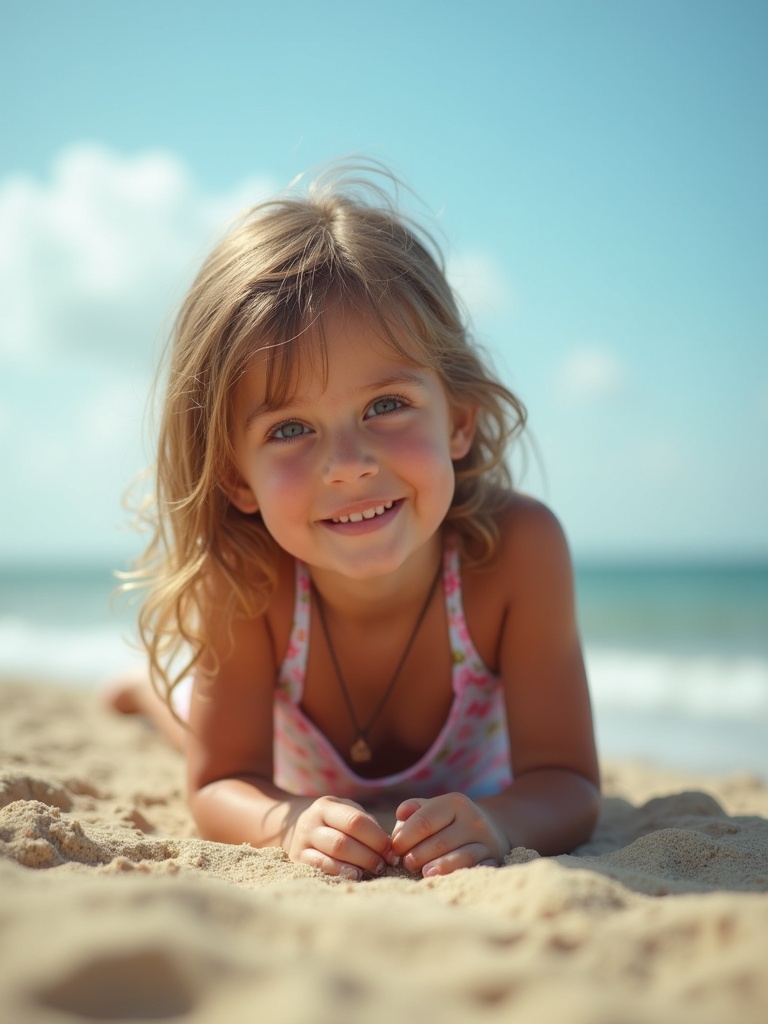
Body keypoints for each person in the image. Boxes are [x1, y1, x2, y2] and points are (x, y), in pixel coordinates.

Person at [111, 166, 600, 881]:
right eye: (291, 428)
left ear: (458, 419)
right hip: (294, 761)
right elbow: (218, 782)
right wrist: (288, 824)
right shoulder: (249, 578)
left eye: (384, 407)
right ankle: (143, 690)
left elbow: (569, 781)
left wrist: (497, 820)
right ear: (236, 477)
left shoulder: (516, 553)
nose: (347, 464)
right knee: (189, 723)